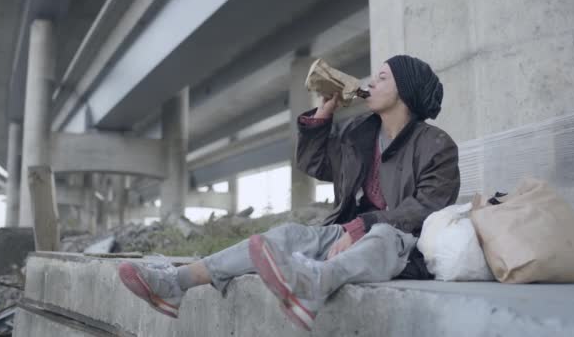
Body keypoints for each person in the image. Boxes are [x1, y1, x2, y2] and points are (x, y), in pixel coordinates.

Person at [118, 55, 460, 331]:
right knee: (287, 234)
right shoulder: (360, 132)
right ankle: (175, 284)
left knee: (383, 235)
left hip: (405, 243)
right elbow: (316, 165)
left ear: (406, 90)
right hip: (347, 234)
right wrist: (322, 117)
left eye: (383, 77)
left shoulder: (435, 145)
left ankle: (313, 286)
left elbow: (426, 207)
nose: (371, 81)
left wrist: (364, 226)